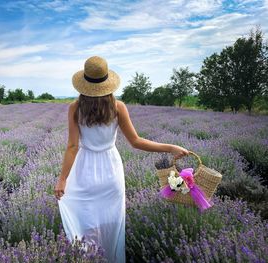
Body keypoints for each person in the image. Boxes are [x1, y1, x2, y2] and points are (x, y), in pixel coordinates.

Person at [55, 56, 189, 263]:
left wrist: (63, 179)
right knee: (110, 222)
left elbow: (72, 146)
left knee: (85, 220)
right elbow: (136, 141)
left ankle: (89, 258)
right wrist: (170, 147)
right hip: (111, 169)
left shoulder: (75, 108)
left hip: (84, 169)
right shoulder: (118, 107)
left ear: (84, 83)